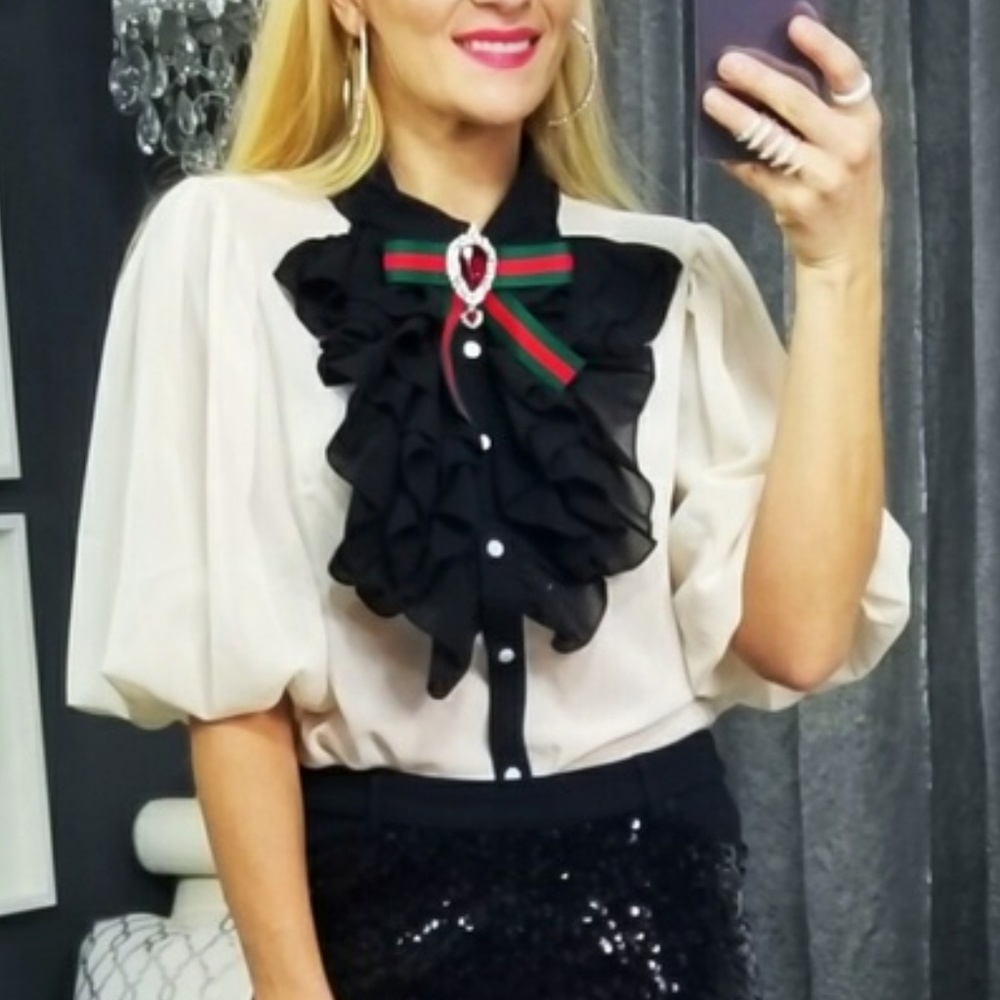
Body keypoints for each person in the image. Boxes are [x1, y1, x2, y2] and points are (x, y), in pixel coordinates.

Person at [66, 1, 911, 998]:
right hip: (372, 914)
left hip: (658, 910)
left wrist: (838, 263)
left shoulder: (677, 272)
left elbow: (799, 640)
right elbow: (232, 694)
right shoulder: (221, 249)